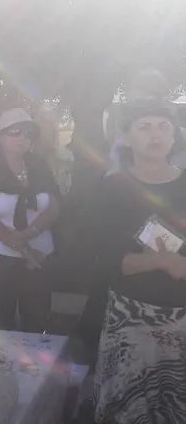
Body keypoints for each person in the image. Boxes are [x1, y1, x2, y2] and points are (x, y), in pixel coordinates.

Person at [81, 101, 186, 423]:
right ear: (126, 138)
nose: (156, 135)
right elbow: (105, 260)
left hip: (182, 320)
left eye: (164, 126)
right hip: (130, 321)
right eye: (145, 127)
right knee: (127, 410)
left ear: (174, 135)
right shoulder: (111, 190)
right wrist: (163, 261)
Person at [0, 108, 60, 333]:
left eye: (28, 133)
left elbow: (55, 204)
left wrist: (29, 234)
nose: (22, 138)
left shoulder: (39, 164)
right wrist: (24, 249)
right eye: (15, 132)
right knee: (0, 325)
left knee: (37, 321)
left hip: (40, 258)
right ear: (0, 137)